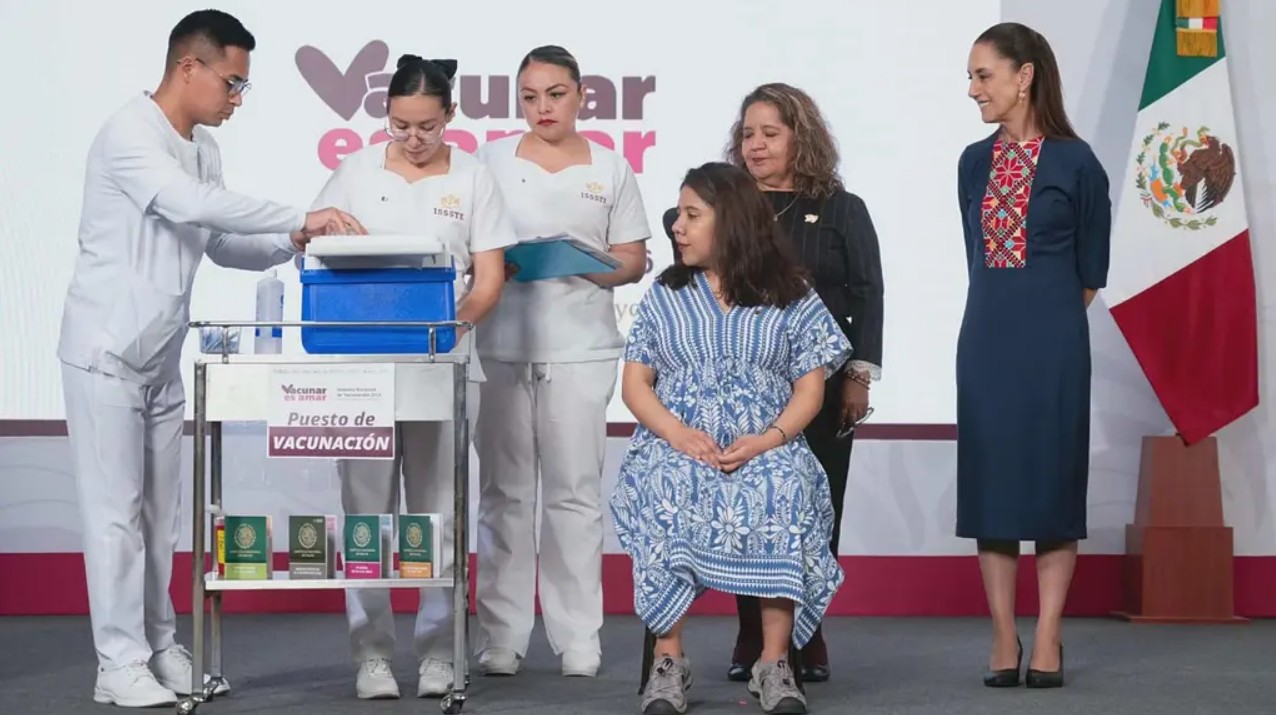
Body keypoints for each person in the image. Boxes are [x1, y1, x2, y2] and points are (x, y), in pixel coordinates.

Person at [56, 9, 365, 708]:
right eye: (232, 83)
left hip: (162, 356)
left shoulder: (203, 147)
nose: (236, 99)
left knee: (162, 515)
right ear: (187, 67)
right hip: (104, 350)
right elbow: (188, 202)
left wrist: (295, 238)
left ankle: (159, 646)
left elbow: (221, 240)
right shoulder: (128, 135)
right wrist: (297, 212)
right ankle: (117, 661)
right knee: (114, 513)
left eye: (243, 87)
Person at [306, 54, 517, 699]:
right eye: (400, 125)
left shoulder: (476, 179)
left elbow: (489, 280)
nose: (414, 139)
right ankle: (371, 652)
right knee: (365, 509)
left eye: (427, 126)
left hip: (445, 365)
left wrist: (447, 329)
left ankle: (438, 651)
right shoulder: (354, 170)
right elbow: (314, 249)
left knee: (437, 511)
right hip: (361, 370)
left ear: (450, 116)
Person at [662, 82, 884, 683]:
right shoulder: (728, 209)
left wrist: (859, 375)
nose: (755, 145)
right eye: (747, 133)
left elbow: (867, 291)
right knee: (744, 510)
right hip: (748, 393)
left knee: (814, 508)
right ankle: (752, 635)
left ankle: (807, 635)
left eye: (770, 133)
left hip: (823, 383)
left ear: (800, 136)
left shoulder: (842, 207)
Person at [612, 161, 850, 715]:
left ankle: (774, 661)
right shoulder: (665, 295)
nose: (678, 226)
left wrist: (768, 440)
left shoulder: (791, 295)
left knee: (785, 484)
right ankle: (669, 661)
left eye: (693, 216)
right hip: (680, 440)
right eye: (680, 215)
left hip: (764, 440)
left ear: (734, 221)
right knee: (666, 483)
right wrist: (676, 433)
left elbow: (809, 393)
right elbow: (636, 386)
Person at [472, 44, 651, 678]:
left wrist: (590, 264)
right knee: (503, 495)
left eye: (554, 94)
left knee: (574, 495)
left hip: (582, 347)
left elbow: (633, 258)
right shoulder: (487, 161)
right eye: (529, 96)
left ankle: (579, 637)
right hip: (499, 346)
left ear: (581, 95)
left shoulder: (610, 167)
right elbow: (469, 248)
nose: (542, 107)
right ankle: (502, 634)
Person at [956, 22, 1111, 689]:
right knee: (993, 487)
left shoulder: (1079, 163)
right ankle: (1001, 632)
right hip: (986, 338)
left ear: (1026, 76)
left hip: (1053, 344)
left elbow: (1090, 273)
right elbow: (978, 261)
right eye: (970, 77)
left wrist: (1043, 321)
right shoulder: (971, 161)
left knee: (1050, 484)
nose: (972, 90)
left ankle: (1047, 632)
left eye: (983, 75)